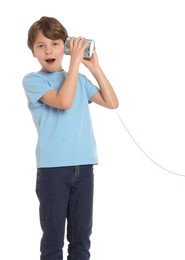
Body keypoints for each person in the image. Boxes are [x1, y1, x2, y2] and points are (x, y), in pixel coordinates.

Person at [23, 16, 119, 259]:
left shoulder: (80, 80)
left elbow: (112, 102)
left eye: (55, 44)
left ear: (64, 47)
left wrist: (94, 67)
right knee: (53, 242)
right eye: (41, 45)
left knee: (81, 241)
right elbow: (63, 101)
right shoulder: (33, 81)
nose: (48, 50)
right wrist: (75, 64)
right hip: (53, 171)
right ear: (33, 51)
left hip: (84, 167)